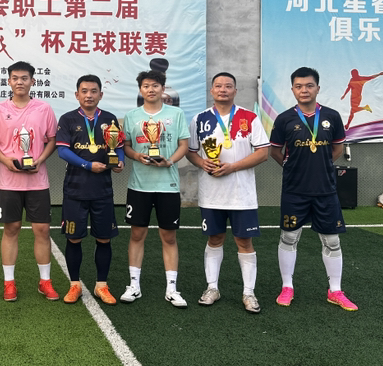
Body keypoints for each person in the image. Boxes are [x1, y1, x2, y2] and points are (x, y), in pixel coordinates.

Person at [269, 66, 357, 311]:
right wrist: (291, 166)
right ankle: (287, 287)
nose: (304, 90)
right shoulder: (284, 119)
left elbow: (337, 149)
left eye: (309, 85)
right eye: (299, 86)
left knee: (332, 241)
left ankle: (335, 291)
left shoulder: (332, 116)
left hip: (325, 189)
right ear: (292, 90)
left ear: (318, 88)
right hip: (294, 190)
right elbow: (275, 151)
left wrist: (322, 164)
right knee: (289, 237)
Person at [186, 72, 269, 313]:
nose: (223, 89)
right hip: (211, 194)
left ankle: (248, 292)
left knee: (244, 241)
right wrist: (202, 163)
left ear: (235, 91)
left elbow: (263, 152)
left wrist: (232, 167)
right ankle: (212, 288)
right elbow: (191, 151)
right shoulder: (199, 119)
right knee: (215, 239)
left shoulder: (249, 117)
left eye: (228, 86)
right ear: (212, 90)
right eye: (218, 86)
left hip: (242, 194)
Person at [0, 61, 59, 302]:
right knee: (12, 228)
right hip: (9, 182)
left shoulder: (44, 108)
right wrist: (6, 161)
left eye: (24, 78)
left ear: (32, 81)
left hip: (38, 181)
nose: (20, 82)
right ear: (9, 81)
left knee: (42, 230)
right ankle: (9, 283)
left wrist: (40, 159)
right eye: (15, 78)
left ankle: (45, 282)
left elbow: (51, 139)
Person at [120, 70, 189, 307]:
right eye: (146, 86)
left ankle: (172, 288)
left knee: (168, 236)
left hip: (168, 186)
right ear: (140, 90)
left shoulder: (176, 114)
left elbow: (183, 144)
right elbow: (126, 146)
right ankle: (134, 285)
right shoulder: (132, 116)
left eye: (155, 85)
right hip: (139, 186)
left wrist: (170, 161)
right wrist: (137, 156)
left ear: (163, 88)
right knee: (137, 234)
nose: (151, 89)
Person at [56, 74, 124, 305]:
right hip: (75, 191)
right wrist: (87, 165)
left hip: (102, 190)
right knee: (74, 238)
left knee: (104, 239)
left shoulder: (109, 119)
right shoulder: (67, 119)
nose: (89, 95)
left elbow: (119, 146)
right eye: (84, 91)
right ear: (77, 95)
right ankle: (74, 284)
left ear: (100, 94)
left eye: (93, 91)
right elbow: (63, 151)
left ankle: (101, 285)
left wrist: (120, 161)